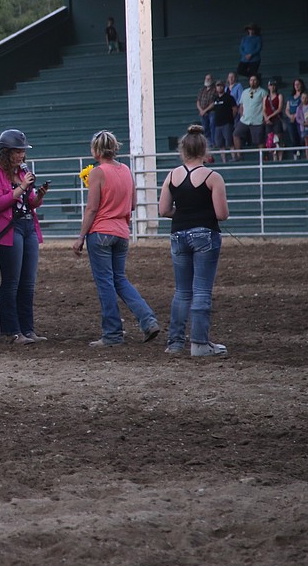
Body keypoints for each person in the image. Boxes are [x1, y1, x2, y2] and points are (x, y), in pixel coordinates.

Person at [72, 130, 161, 347]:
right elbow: (131, 205)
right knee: (120, 279)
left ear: (96, 150)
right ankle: (147, 319)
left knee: (105, 283)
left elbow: (92, 208)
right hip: (121, 232)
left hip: (101, 232)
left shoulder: (97, 173)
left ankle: (112, 334)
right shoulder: (126, 170)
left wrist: (81, 237)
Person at [158, 124, 230, 358]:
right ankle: (199, 343)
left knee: (182, 291)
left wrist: (183, 211)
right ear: (204, 150)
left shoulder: (171, 176)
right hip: (205, 235)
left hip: (178, 234)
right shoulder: (213, 177)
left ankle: (175, 342)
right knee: (201, 290)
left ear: (182, 151)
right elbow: (221, 214)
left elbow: (164, 210)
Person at [0, 129, 50, 345]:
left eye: (23, 151)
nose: (22, 155)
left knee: (28, 283)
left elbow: (28, 202)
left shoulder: (21, 173)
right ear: (6, 152)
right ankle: (12, 331)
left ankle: (28, 330)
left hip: (28, 226)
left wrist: (37, 196)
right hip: (8, 229)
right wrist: (21, 188)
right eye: (18, 151)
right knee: (11, 282)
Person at [233, 74, 267, 161]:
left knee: (259, 141)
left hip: (257, 120)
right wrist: (242, 114)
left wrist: (264, 118)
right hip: (245, 120)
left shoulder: (263, 92)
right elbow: (241, 105)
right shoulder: (245, 92)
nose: (252, 82)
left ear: (258, 81)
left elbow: (266, 106)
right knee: (236, 134)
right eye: (251, 80)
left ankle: (262, 158)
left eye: (254, 80)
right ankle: (239, 155)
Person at [207, 80, 237, 162]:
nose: (219, 87)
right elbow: (212, 107)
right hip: (218, 124)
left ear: (224, 87)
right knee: (220, 144)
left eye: (221, 86)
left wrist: (231, 118)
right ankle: (224, 160)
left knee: (229, 141)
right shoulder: (215, 99)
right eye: (217, 86)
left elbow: (234, 109)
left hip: (227, 123)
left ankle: (234, 157)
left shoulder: (229, 97)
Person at [262, 79, 285, 161]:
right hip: (269, 121)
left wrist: (270, 116)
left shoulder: (279, 96)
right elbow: (264, 109)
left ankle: (280, 158)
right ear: (268, 87)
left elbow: (279, 109)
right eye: (271, 85)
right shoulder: (266, 97)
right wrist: (266, 118)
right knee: (271, 140)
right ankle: (274, 157)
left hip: (276, 120)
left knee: (279, 139)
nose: (272, 87)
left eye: (274, 85)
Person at [285, 78, 307, 156]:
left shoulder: (304, 95)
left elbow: (303, 106)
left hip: (300, 119)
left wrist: (295, 115)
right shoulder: (290, 97)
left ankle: (302, 153)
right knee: (292, 137)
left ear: (301, 85)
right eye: (295, 84)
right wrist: (290, 116)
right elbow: (287, 108)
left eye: (298, 84)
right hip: (291, 119)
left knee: (301, 137)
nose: (296, 86)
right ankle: (295, 154)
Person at [196, 73, 215, 148]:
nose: (207, 80)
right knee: (205, 127)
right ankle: (208, 142)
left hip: (211, 111)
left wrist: (205, 110)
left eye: (209, 78)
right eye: (206, 78)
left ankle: (213, 142)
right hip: (202, 112)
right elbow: (198, 101)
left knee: (212, 124)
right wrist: (201, 110)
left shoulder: (214, 89)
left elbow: (214, 102)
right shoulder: (202, 90)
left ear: (212, 80)